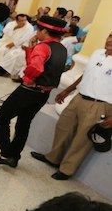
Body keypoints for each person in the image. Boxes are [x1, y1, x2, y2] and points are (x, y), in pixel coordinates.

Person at [31, 31, 112, 180]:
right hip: (79, 98)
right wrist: (67, 91)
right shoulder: (98, 53)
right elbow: (85, 75)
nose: (110, 40)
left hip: (99, 105)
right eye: (110, 36)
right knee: (63, 127)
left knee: (82, 140)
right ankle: (53, 158)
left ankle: (66, 170)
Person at [0, 15, 68, 168]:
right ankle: (14, 156)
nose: (36, 32)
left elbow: (36, 67)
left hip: (29, 90)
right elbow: (45, 64)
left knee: (3, 117)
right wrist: (31, 49)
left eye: (38, 30)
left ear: (44, 31)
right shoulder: (61, 48)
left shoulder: (43, 47)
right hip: (43, 94)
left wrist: (28, 78)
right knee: (24, 123)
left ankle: (6, 153)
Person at [0, 13, 35, 78]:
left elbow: (24, 38)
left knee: (6, 50)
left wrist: (14, 43)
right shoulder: (11, 24)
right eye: (21, 21)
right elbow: (5, 32)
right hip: (6, 40)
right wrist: (15, 28)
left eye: (24, 20)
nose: (23, 22)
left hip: (18, 45)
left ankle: (1, 69)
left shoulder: (29, 28)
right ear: (17, 21)